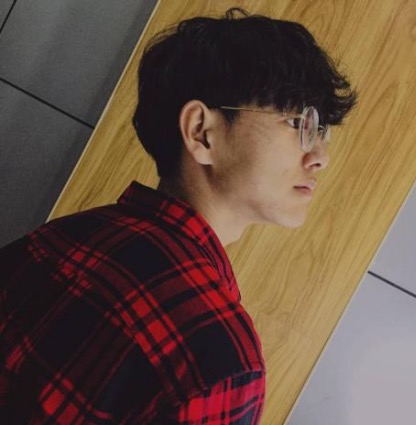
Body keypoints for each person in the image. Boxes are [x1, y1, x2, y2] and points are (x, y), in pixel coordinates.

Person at [0, 7, 357, 424]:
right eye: (299, 122)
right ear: (201, 132)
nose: (321, 157)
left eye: (321, 131)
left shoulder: (59, 239)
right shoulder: (219, 362)